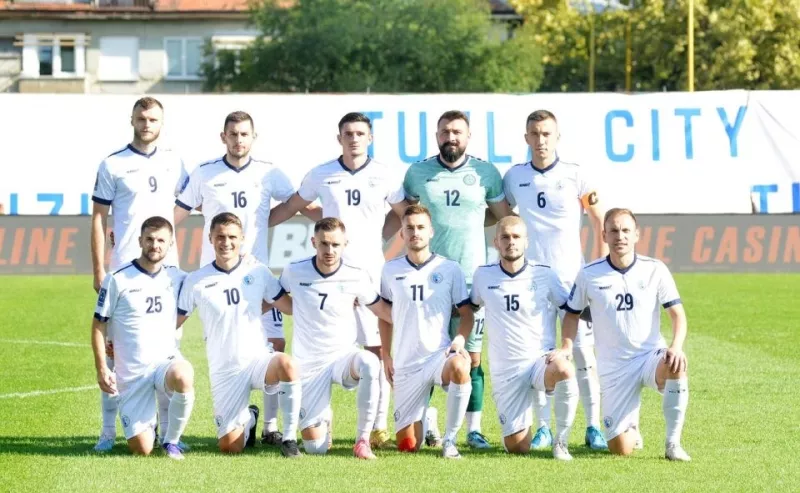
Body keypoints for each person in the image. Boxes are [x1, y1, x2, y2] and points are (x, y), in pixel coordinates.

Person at [268, 112, 408, 448]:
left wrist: (381, 236)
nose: (354, 138)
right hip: (328, 274)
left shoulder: (385, 174)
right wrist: (257, 226)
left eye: (360, 133)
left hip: (369, 275)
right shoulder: (322, 174)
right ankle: (321, 415)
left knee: (376, 350)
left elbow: (404, 214)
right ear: (339, 138)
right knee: (326, 345)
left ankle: (377, 427)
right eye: (348, 133)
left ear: (370, 138)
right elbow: (294, 205)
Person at [174, 111, 304, 445]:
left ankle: (271, 427)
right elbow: (177, 213)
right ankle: (243, 416)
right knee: (227, 348)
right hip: (216, 279)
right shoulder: (205, 172)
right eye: (232, 134)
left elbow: (294, 204)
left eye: (244, 134)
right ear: (223, 137)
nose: (238, 139)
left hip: (257, 276)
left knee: (276, 344)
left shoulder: (268, 172)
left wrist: (264, 222)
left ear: (253, 137)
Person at [402, 110, 512, 449]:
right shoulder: (417, 173)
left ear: (468, 136)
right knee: (426, 353)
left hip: (470, 278)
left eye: (457, 132)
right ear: (437, 135)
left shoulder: (485, 173)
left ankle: (473, 430)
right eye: (445, 132)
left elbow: (504, 218)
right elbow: (408, 218)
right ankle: (429, 420)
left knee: (472, 357)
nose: (451, 137)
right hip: (429, 278)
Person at [502, 109, 608, 451]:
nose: (541, 140)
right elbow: (503, 217)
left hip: (573, 279)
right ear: (526, 138)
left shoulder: (576, 174)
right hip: (532, 282)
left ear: (557, 137)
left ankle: (593, 427)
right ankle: (544, 428)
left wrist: (597, 269)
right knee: (540, 355)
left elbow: (599, 220)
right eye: (535, 134)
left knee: (583, 354)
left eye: (547, 133)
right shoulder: (514, 177)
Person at [90, 96, 189, 452]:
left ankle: (166, 434)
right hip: (124, 271)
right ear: (132, 120)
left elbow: (192, 200)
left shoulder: (174, 162)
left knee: (167, 352)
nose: (147, 124)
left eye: (153, 119)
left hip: (166, 272)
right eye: (142, 118)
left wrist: (166, 234)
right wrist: (99, 268)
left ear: (162, 123)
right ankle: (107, 433)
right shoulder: (112, 164)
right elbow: (98, 218)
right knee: (115, 354)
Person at [562, 208, 691, 461]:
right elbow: (571, 315)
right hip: (614, 368)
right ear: (604, 236)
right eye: (613, 231)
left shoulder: (655, 269)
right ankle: (631, 426)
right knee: (620, 449)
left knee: (676, 364)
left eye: (625, 231)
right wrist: (566, 347)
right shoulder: (589, 274)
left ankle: (673, 443)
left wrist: (676, 346)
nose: (620, 236)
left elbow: (678, 315)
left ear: (636, 235)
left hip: (649, 356)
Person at [176, 212, 302, 458]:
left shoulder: (258, 271)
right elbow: (174, 321)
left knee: (287, 364)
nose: (226, 242)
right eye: (220, 237)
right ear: (210, 238)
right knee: (229, 447)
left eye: (232, 237)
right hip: (225, 369)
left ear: (242, 238)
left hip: (257, 359)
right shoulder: (196, 280)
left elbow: (289, 307)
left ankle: (289, 438)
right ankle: (250, 418)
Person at [278, 217, 394, 459]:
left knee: (370, 362)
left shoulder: (356, 275)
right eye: (324, 244)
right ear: (314, 242)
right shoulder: (294, 270)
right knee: (315, 449)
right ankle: (324, 419)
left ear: (345, 244)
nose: (329, 250)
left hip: (343, 357)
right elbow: (278, 300)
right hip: (309, 364)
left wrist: (416, 319)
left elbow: (382, 310)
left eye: (335, 245)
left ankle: (362, 440)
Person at [470, 216, 578, 460]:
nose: (511, 242)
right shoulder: (483, 275)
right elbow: (469, 310)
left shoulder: (545, 274)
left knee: (564, 369)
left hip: (540, 361)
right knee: (518, 448)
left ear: (526, 241)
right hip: (506, 369)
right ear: (496, 242)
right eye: (505, 237)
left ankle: (560, 442)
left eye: (516, 236)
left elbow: (570, 311)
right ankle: (520, 428)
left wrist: (566, 346)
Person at [91, 216, 195, 460]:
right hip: (133, 373)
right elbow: (98, 325)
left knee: (184, 374)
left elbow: (209, 282)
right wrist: (101, 368)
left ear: (170, 244)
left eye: (161, 240)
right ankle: (127, 431)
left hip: (164, 364)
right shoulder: (117, 278)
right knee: (142, 449)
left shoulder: (179, 277)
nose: (154, 245)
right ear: (140, 241)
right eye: (149, 239)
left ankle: (171, 441)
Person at [379, 205, 473, 459]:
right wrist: (386, 355)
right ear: (402, 233)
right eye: (409, 228)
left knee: (460, 366)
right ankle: (428, 418)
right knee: (408, 447)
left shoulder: (450, 269)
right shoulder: (390, 270)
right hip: (406, 362)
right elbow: (385, 317)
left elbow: (467, 314)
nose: (415, 233)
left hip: (437, 356)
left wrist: (459, 340)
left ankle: (450, 440)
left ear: (431, 231)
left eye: (421, 227)